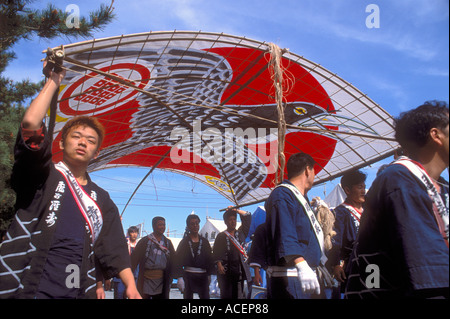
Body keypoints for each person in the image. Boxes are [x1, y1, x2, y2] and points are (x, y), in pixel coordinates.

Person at [0, 66, 140, 299]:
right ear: (62, 143)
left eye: (90, 140)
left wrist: (131, 286)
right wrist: (53, 82)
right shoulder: (43, 174)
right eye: (76, 136)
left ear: (96, 153)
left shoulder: (102, 198)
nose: (83, 142)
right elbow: (31, 125)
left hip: (75, 285)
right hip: (30, 280)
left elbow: (114, 246)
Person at [345, 101, 449, 299]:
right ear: (436, 135)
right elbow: (428, 273)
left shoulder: (439, 186)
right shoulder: (399, 180)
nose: (362, 190)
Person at [265, 152, 326, 299]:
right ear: (307, 170)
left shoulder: (302, 199)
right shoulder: (283, 195)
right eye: (313, 172)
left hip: (309, 276)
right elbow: (285, 233)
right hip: (293, 279)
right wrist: (302, 265)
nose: (314, 177)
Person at [327, 170, 366, 296]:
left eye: (364, 187)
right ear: (348, 190)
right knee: (355, 293)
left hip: (372, 263)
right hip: (352, 264)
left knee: (373, 290)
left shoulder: (369, 211)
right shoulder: (341, 212)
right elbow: (335, 240)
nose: (363, 191)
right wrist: (336, 264)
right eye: (360, 187)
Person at [131, 216, 175, 299]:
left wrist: (175, 276)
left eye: (164, 225)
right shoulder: (144, 241)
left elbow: (174, 260)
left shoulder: (168, 243)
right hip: (146, 280)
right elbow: (134, 260)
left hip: (162, 281)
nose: (162, 227)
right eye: (160, 225)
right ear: (153, 226)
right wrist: (130, 278)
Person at [213, 207, 252, 299]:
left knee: (239, 297)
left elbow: (247, 216)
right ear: (225, 222)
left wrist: (236, 210)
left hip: (239, 273)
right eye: (230, 220)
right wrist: (219, 264)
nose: (233, 221)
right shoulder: (221, 236)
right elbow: (216, 252)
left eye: (234, 219)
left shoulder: (241, 233)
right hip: (226, 273)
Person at [175, 214, 214, 299]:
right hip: (188, 276)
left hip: (203, 276)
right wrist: (179, 277)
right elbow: (177, 261)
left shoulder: (205, 242)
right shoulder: (184, 242)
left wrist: (210, 275)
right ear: (188, 226)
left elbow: (210, 259)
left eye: (197, 223)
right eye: (192, 224)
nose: (195, 226)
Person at [113, 226, 140, 299]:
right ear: (129, 233)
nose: (134, 234)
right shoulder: (123, 243)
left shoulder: (139, 245)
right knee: (120, 294)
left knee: (132, 295)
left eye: (136, 232)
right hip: (122, 273)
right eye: (132, 232)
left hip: (134, 275)